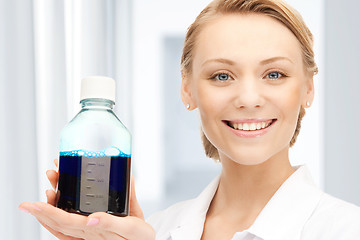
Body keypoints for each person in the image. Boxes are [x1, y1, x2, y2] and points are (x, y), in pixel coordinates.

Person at [19, 0, 360, 239]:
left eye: (274, 74)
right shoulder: (159, 229)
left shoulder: (345, 231)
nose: (249, 99)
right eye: (222, 76)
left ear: (308, 89)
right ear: (188, 91)